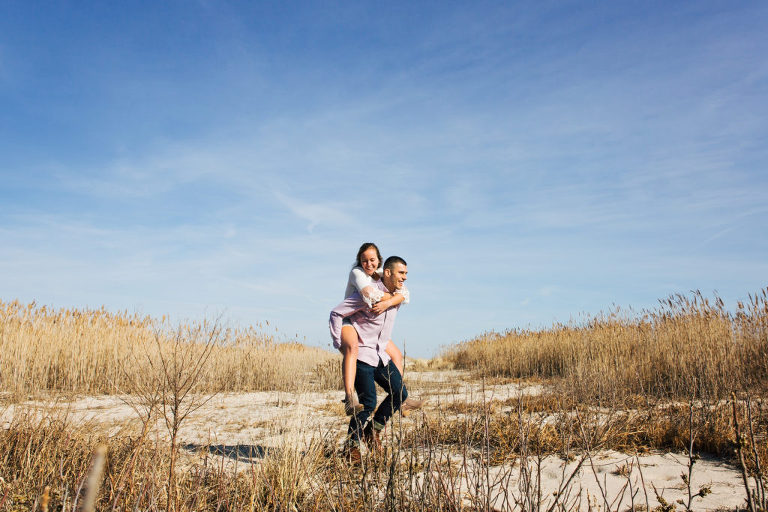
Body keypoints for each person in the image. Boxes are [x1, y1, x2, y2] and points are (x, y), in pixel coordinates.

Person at [329, 256, 411, 460]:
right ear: (388, 272)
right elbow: (337, 312)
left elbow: (405, 294)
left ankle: (371, 431)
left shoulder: (398, 293)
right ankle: (351, 446)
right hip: (363, 354)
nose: (404, 278)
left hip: (381, 355)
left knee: (399, 393)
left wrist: (389, 301)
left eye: (406, 274)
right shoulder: (367, 295)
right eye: (401, 273)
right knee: (368, 402)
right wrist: (343, 343)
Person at [339, 243, 415, 415]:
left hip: (368, 327)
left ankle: (401, 399)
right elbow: (369, 294)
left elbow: (405, 294)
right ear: (359, 261)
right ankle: (350, 396)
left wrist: (391, 300)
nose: (368, 264)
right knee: (353, 349)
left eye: (372, 260)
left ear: (379, 261)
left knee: (396, 354)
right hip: (350, 321)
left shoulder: (380, 274)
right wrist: (393, 297)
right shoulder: (357, 273)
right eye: (364, 260)